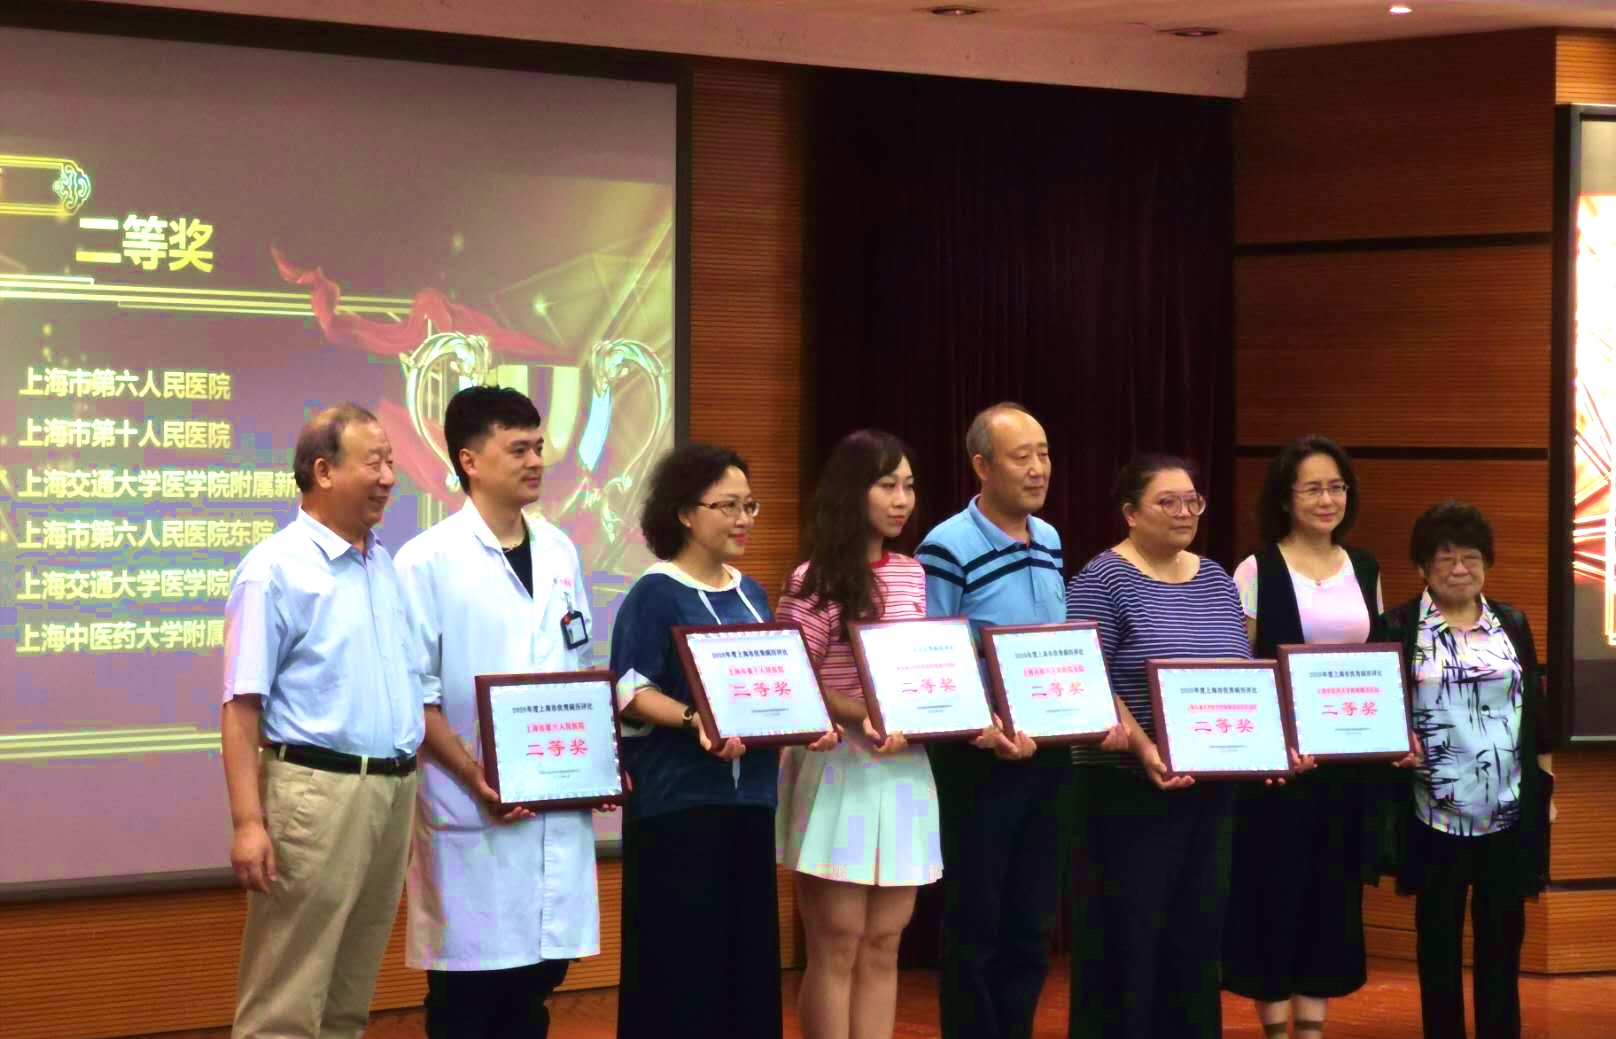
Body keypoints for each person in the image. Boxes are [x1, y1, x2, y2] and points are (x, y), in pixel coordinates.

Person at [610, 443, 837, 1039]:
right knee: (683, 969)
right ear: (685, 513)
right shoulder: (655, 592)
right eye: (728, 506)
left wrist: (808, 722)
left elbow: (773, 684)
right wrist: (695, 720)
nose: (743, 519)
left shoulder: (752, 593)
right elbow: (629, 689)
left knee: (746, 963)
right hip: (679, 805)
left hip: (751, 801)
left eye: (750, 506)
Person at [394, 386, 600, 1038]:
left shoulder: (560, 549)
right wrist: (473, 772)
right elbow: (415, 694)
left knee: (535, 988)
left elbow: (577, 668)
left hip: (551, 803)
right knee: (469, 998)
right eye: (518, 449)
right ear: (470, 460)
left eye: (538, 446)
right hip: (469, 806)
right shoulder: (425, 560)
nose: (536, 460)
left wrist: (597, 763)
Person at [915, 402, 1123, 1039]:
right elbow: (937, 652)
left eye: (1045, 453)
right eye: (1021, 456)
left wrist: (1086, 709)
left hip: (1049, 753)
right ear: (982, 466)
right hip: (981, 757)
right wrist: (982, 723)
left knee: (1031, 924)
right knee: (977, 924)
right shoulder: (946, 545)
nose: (1039, 468)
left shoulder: (1050, 538)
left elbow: (1054, 645)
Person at [221, 402, 423, 1039]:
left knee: (348, 995)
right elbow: (241, 705)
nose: (389, 477)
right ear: (323, 471)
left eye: (390, 461)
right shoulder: (273, 570)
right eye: (374, 462)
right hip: (317, 793)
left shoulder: (381, 562)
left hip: (392, 790)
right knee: (286, 1000)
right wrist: (248, 823)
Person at [1066, 453, 1251, 1039]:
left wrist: (1266, 747)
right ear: (1130, 513)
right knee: (1130, 937)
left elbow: (1242, 675)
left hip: (1210, 787)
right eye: (1167, 502)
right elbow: (1088, 674)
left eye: (1192, 500)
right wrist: (1145, 747)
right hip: (1128, 787)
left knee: (1196, 937)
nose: (1184, 512)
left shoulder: (1216, 578)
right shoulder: (1102, 578)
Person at [1222, 435, 1400, 1039]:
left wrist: (1391, 730)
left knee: (1332, 891)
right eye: (1314, 489)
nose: (1328, 500)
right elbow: (1241, 666)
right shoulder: (1256, 568)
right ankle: (1276, 1026)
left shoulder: (1365, 567)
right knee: (1273, 890)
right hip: (1282, 767)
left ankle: (1312, 1027)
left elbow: (1378, 662)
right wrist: (1271, 746)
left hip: (1348, 763)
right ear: (1285, 497)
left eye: (1337, 487)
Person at [776, 430, 943, 1039]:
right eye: (887, 485)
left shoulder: (913, 573)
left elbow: (923, 669)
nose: (902, 500)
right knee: (838, 941)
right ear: (853, 491)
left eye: (909, 486)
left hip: (903, 765)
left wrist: (929, 712)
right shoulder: (812, 578)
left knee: (883, 941)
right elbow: (794, 676)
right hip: (838, 763)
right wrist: (861, 716)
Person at [1380, 502, 1555, 1039]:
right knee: (1438, 945)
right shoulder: (1400, 627)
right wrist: (1394, 745)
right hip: (1433, 811)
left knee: (1503, 943)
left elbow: (1537, 714)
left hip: (1508, 809)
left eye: (1472, 557)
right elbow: (1379, 712)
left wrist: (1546, 790)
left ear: (1488, 563)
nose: (1460, 568)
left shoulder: (1512, 623)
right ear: (1423, 567)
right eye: (1446, 558)